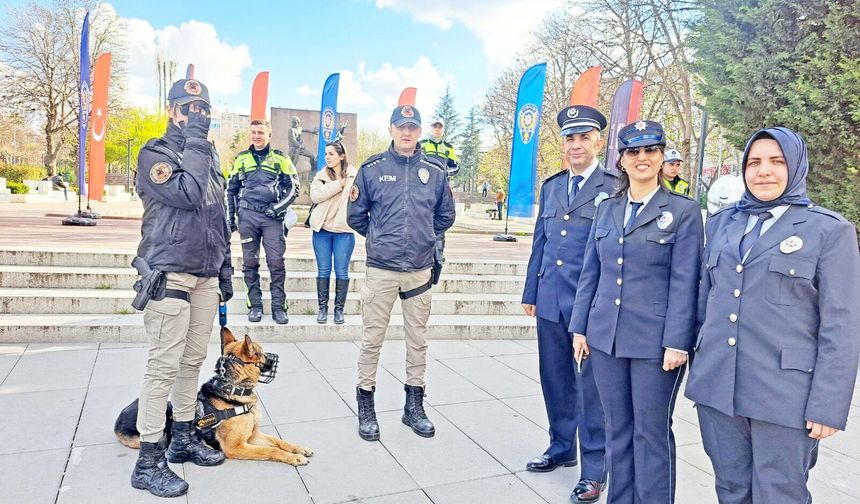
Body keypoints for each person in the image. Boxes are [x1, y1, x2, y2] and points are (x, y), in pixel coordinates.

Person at [685, 127, 860, 503]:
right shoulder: (721, 223)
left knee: (780, 493)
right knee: (731, 490)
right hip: (718, 387)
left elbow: (841, 326)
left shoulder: (828, 230)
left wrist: (828, 405)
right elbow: (706, 301)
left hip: (785, 394)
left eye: (777, 162)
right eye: (754, 162)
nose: (764, 171)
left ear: (796, 166)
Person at [571, 120, 703, 504]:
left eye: (651, 151)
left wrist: (678, 342)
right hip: (606, 337)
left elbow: (686, 281)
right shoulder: (607, 210)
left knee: (651, 431)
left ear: (662, 158)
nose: (642, 158)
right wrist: (580, 328)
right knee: (617, 428)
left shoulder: (683, 211)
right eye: (633, 152)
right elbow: (590, 272)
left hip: (656, 345)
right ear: (622, 161)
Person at [131, 77, 233, 498]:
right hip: (170, 273)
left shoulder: (208, 158)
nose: (198, 115)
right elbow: (188, 195)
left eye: (203, 109)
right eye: (189, 107)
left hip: (206, 275)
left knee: (192, 362)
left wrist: (225, 270)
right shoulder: (156, 154)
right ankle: (149, 460)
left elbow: (219, 217)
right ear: (171, 110)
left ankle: (184, 437)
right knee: (164, 367)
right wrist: (195, 140)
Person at [521, 105, 614, 503]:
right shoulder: (553, 185)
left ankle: (595, 469)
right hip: (551, 297)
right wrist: (530, 292)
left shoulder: (615, 185)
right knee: (555, 377)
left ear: (598, 141)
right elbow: (540, 243)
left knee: (591, 387)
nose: (576, 145)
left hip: (590, 303)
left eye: (583, 137)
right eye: (569, 138)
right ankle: (562, 448)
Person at [347, 104, 456, 442]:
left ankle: (414, 406)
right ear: (391, 130)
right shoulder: (372, 169)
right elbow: (356, 216)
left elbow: (445, 215)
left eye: (412, 127)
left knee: (418, 342)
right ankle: (367, 407)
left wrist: (422, 238)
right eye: (401, 126)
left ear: (419, 131)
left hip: (419, 271)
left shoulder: (435, 171)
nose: (406, 132)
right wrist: (381, 238)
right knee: (371, 341)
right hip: (381, 269)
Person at [226, 119, 298, 325]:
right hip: (248, 217)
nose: (257, 136)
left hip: (271, 219)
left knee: (276, 262)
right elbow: (230, 191)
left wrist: (276, 209)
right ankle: (255, 306)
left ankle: (279, 307)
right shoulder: (241, 159)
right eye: (254, 132)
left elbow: (294, 189)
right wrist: (231, 219)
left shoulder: (280, 158)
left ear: (269, 135)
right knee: (250, 262)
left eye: (261, 132)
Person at [309, 141, 358, 325]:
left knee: (342, 272)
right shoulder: (321, 175)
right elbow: (315, 196)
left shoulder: (355, 175)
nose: (327, 157)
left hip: (344, 232)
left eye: (331, 154)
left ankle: (339, 310)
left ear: (341, 156)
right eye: (326, 154)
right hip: (321, 231)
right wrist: (339, 184)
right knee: (323, 270)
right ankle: (323, 309)